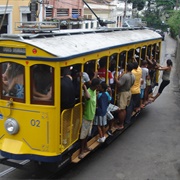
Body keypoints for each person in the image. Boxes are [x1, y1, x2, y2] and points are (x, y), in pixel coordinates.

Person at [79, 78, 100, 159]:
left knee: (87, 134)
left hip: (91, 115)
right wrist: (84, 88)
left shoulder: (94, 91)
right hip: (87, 116)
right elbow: (87, 97)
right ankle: (81, 151)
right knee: (83, 135)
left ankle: (85, 147)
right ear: (96, 86)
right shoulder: (88, 92)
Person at [114, 63, 135, 129]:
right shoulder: (133, 75)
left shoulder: (125, 76)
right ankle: (122, 122)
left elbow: (119, 84)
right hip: (128, 91)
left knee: (121, 109)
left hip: (123, 93)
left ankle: (121, 125)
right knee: (124, 108)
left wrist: (115, 79)